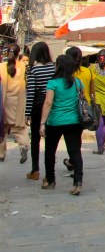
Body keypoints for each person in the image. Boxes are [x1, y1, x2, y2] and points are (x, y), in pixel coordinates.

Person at [40, 54, 85, 195]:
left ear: (58, 66)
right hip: (74, 122)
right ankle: (78, 182)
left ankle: (50, 180)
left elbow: (48, 103)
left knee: (50, 151)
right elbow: (82, 100)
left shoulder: (53, 83)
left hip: (55, 122)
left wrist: (42, 122)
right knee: (75, 152)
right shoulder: (78, 82)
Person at [24, 42, 53, 181]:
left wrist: (27, 113)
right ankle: (49, 173)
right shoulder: (54, 68)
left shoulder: (33, 70)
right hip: (52, 105)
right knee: (50, 140)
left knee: (35, 140)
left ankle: (35, 170)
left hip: (38, 105)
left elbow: (30, 93)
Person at [0, 44, 30, 164]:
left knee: (2, 128)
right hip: (18, 102)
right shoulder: (23, 67)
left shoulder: (1, 67)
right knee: (19, 128)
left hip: (3, 102)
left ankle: (1, 153)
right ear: (19, 55)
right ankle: (23, 146)